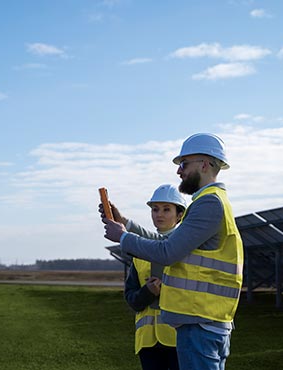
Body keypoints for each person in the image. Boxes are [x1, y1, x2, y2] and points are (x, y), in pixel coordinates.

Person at [101, 133, 243, 370]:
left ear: (205, 164)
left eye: (184, 164)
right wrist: (124, 221)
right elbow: (165, 240)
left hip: (201, 322)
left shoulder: (209, 203)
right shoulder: (211, 201)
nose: (179, 171)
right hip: (202, 321)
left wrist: (123, 237)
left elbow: (167, 250)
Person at [123, 184, 186, 370]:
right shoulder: (139, 251)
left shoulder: (187, 248)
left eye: (167, 209)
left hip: (178, 338)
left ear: (180, 215)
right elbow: (131, 299)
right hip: (147, 341)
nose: (159, 214)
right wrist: (147, 292)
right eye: (155, 209)